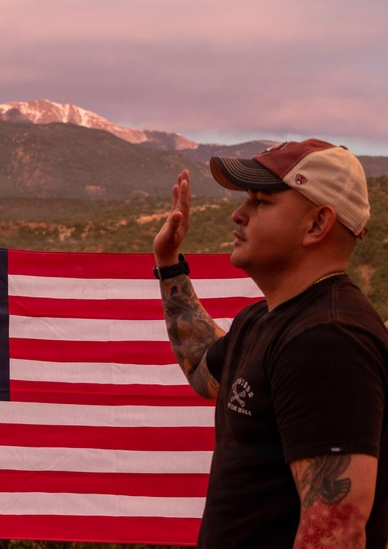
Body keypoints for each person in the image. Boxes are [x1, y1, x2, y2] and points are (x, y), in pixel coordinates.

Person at [153, 139, 388, 547]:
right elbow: (202, 372)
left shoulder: (328, 339)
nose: (239, 214)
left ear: (317, 224)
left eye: (261, 202)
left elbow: (337, 529)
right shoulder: (263, 320)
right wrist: (170, 265)